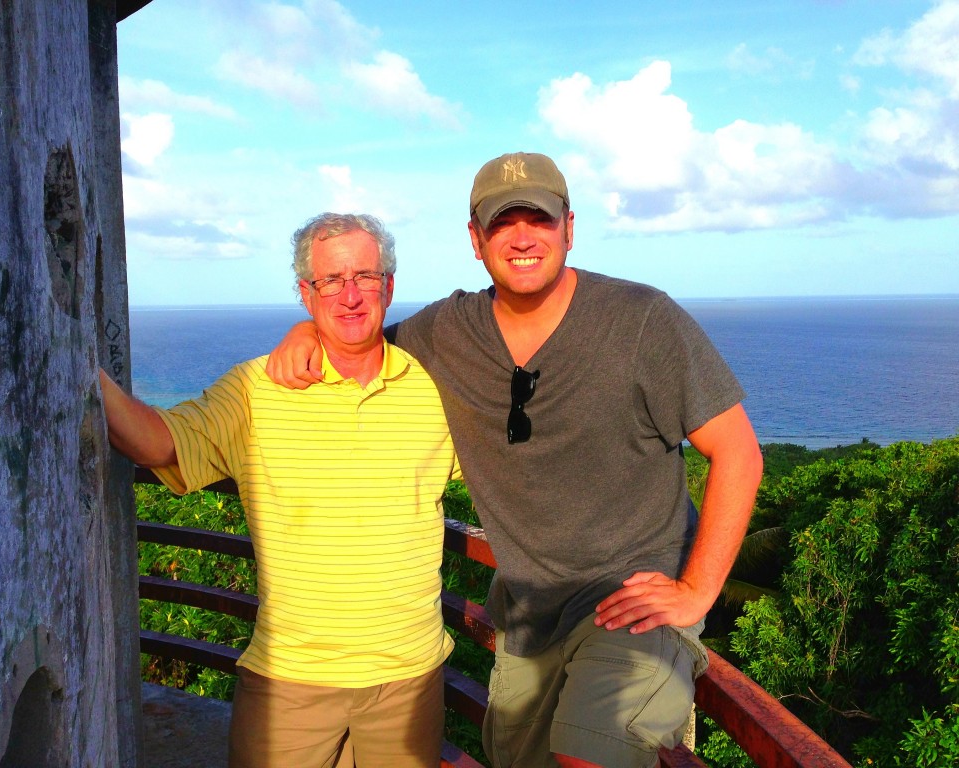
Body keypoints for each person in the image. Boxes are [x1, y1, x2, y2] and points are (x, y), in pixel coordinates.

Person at [265, 153, 764, 768]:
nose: (523, 236)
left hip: (632, 601)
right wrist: (306, 332)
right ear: (476, 240)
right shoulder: (450, 330)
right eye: (503, 222)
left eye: (540, 218)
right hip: (527, 622)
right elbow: (360, 336)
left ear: (569, 228)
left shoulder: (641, 320)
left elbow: (738, 451)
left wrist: (697, 590)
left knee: (591, 755)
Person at [100, 213, 462, 768]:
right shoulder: (254, 388)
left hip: (409, 677)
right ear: (305, 293)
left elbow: (515, 465)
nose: (349, 296)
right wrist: (78, 364)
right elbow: (159, 444)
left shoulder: (433, 389)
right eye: (329, 281)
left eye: (364, 276)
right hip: (291, 677)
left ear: (390, 285)